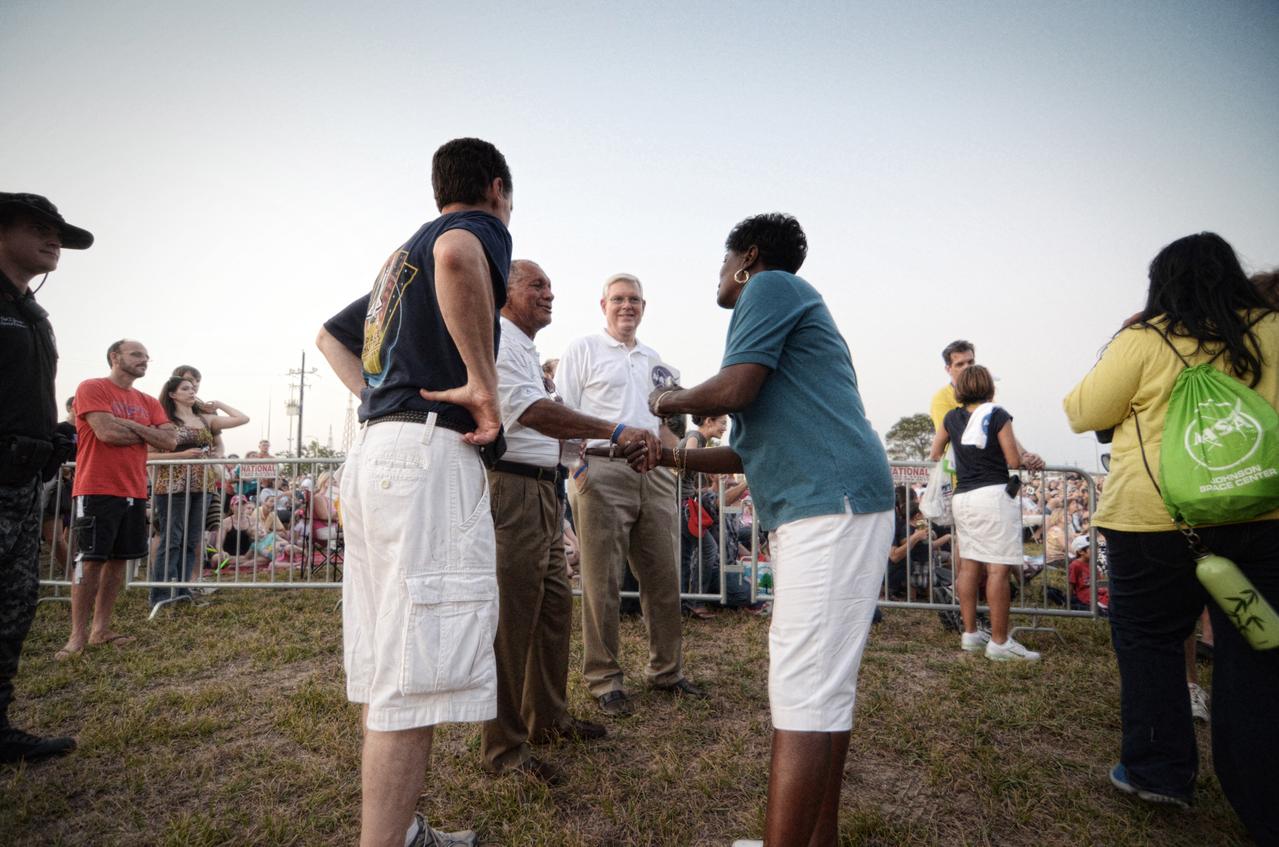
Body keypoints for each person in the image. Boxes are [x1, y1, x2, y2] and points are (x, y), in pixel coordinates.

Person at [638, 213, 895, 847]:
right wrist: (666, 455)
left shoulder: (769, 288)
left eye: (723, 262)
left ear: (748, 257)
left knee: (805, 686)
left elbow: (735, 390)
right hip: (831, 502)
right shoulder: (777, 311)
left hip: (828, 505)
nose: (719, 276)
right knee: (822, 686)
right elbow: (745, 450)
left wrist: (666, 400)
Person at [316, 137, 514, 847]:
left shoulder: (400, 255)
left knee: (388, 662)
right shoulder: (474, 227)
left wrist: (381, 398)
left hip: (378, 448)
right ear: (497, 188)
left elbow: (329, 336)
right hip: (426, 450)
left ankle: (398, 833)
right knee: (414, 673)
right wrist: (482, 385)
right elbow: (460, 254)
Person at [1064, 232, 1278, 840]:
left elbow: (1084, 411)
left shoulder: (1146, 338)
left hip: (1156, 524)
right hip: (1262, 520)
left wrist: (1124, 335)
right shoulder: (1272, 330)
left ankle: (1158, 772)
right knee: (1257, 654)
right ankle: (1262, 797)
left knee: (1152, 642)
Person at [475, 259, 661, 782]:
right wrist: (614, 428)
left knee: (554, 612)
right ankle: (505, 750)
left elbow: (548, 418)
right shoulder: (499, 337)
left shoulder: (525, 349)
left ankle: (548, 718)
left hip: (544, 490)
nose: (550, 294)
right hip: (512, 487)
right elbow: (529, 411)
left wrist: (587, 447)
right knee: (513, 623)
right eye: (537, 285)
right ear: (504, 292)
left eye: (552, 286)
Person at [557, 272, 703, 717]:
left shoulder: (655, 360)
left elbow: (663, 423)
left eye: (634, 299)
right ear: (603, 305)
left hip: (654, 472)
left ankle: (668, 671)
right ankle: (605, 679)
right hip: (601, 470)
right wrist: (575, 467)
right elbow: (562, 409)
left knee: (664, 577)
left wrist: (678, 465)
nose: (627, 305)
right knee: (602, 581)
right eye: (618, 298)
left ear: (644, 306)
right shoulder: (583, 349)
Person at [0, 192, 91, 763]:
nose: (54, 239)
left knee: (15, 606)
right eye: (39, 228)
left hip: (23, 483)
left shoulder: (32, 312)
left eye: (58, 231)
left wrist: (51, 434)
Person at [59, 340, 178, 660]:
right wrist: (145, 431)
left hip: (134, 490)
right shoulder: (92, 388)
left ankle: (101, 630)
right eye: (137, 355)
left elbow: (169, 440)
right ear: (115, 357)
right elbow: (106, 433)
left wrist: (126, 424)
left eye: (147, 356)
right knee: (90, 561)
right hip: (96, 488)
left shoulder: (148, 400)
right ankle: (77, 636)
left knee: (118, 562)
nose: (145, 360)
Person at [930, 365, 1040, 662]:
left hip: (963, 496)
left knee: (968, 567)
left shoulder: (951, 417)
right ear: (990, 387)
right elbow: (1013, 458)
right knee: (997, 570)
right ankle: (1000, 642)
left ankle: (970, 634)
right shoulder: (997, 414)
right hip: (992, 495)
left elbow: (935, 453)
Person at [147, 374, 248, 608]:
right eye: (185, 388)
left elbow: (242, 418)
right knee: (171, 540)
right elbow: (145, 455)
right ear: (172, 394)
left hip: (202, 486)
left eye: (193, 388)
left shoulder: (204, 419)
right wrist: (180, 456)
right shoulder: (162, 421)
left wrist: (218, 404)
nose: (192, 392)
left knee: (192, 540)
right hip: (171, 486)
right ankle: (160, 595)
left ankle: (183, 591)